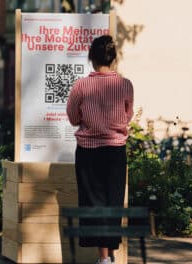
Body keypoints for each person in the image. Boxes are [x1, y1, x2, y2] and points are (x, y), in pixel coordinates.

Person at [66, 35, 134, 264]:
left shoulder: (81, 86)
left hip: (88, 152)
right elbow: (128, 116)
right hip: (116, 151)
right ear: (114, 58)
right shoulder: (125, 85)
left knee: (93, 202)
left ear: (91, 58)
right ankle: (109, 256)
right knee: (113, 201)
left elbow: (74, 118)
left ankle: (104, 258)